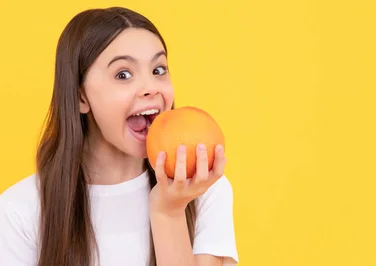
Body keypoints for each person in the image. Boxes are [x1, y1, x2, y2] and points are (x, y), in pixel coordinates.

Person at [0, 6, 239, 266]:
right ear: (81, 96)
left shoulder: (203, 189)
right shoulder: (19, 210)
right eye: (123, 74)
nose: (150, 88)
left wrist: (169, 213)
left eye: (158, 70)